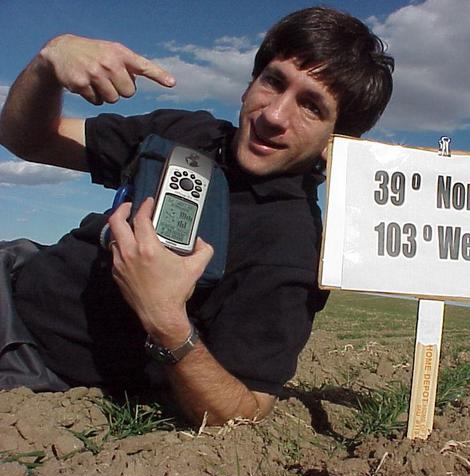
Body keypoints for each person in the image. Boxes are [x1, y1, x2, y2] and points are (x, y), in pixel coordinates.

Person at [0, 7, 393, 425]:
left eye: (311, 107)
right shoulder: (190, 132)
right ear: (249, 84)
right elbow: (29, 140)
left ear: (337, 140)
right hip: (17, 265)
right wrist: (49, 61)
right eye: (273, 81)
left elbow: (247, 411)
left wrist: (166, 320)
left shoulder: (289, 247)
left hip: (30, 353)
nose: (274, 116)